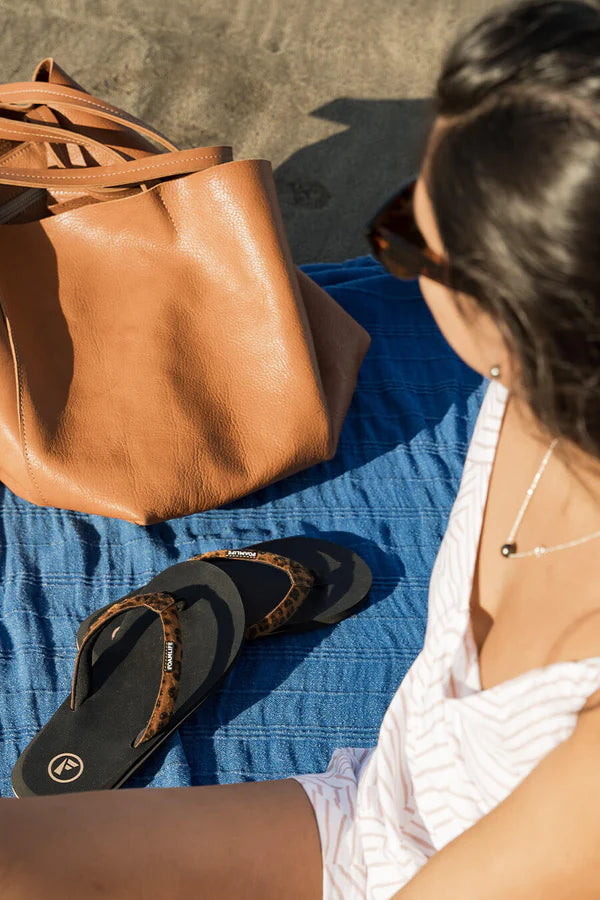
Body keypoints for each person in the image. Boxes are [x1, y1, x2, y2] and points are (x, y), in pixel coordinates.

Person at [3, 0, 600, 896]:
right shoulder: (529, 395)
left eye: (407, 241)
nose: (388, 255)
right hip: (370, 809)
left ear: (515, 321)